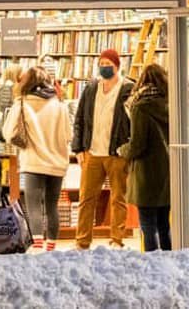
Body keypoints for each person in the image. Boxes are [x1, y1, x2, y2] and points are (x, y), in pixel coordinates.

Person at [1, 66, 72, 253]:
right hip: (57, 163)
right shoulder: (60, 105)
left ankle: (38, 247)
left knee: (33, 205)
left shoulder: (22, 103)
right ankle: (52, 246)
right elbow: (68, 135)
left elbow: (8, 132)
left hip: (33, 162)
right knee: (52, 205)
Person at [70, 49, 135, 249]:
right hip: (92, 153)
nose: (104, 67)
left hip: (117, 153)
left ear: (117, 66)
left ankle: (117, 239)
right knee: (86, 198)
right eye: (102, 63)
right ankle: (82, 241)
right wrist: (79, 149)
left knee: (118, 198)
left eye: (109, 63)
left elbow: (134, 121)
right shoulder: (91, 88)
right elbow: (79, 119)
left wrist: (128, 148)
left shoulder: (128, 88)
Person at [117, 64, 172, 252]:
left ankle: (152, 261)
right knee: (164, 224)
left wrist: (122, 150)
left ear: (142, 81)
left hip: (146, 173)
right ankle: (169, 257)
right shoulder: (171, 104)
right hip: (168, 171)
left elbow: (138, 145)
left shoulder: (140, 107)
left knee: (148, 226)